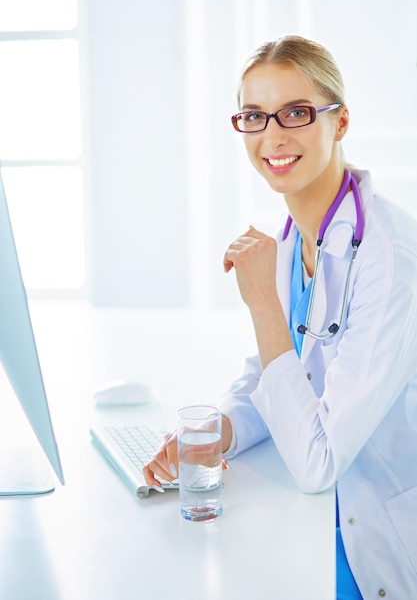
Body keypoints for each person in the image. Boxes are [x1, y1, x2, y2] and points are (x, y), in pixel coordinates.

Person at [143, 35, 417, 599]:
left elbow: (317, 463)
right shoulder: (296, 237)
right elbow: (274, 373)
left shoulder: (389, 261)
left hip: (379, 536)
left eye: (296, 112)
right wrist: (219, 429)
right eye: (254, 115)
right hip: (315, 524)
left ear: (339, 123)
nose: (272, 136)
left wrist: (262, 301)